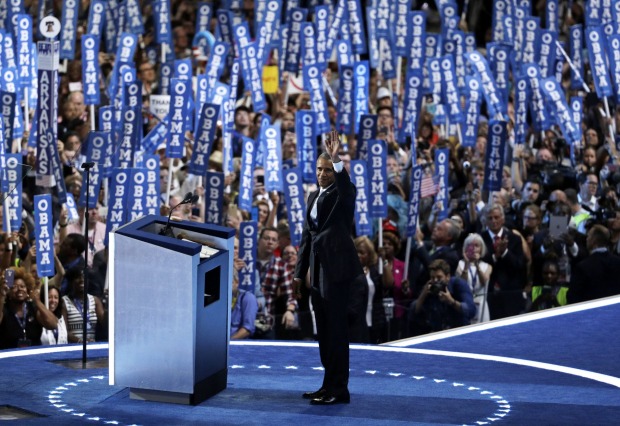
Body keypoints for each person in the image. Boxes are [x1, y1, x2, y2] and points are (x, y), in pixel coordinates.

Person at [293, 130, 363, 405]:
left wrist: (337, 160)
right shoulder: (312, 196)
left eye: (327, 170)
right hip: (317, 274)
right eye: (319, 169)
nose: (323, 174)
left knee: (336, 333)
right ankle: (327, 385)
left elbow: (348, 188)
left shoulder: (341, 196)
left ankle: (339, 389)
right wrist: (299, 274)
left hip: (338, 273)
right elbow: (306, 239)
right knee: (323, 333)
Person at [408, 259, 476, 335]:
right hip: (439, 333)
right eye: (433, 277)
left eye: (439, 277)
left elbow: (471, 310)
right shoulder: (430, 288)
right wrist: (423, 295)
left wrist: (451, 301)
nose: (436, 280)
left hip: (459, 332)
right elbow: (413, 313)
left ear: (448, 277)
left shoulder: (458, 284)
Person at [0, 268, 58, 349]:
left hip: (33, 356)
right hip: (10, 358)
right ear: (8, 292)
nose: (19, 289)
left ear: (27, 290)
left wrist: (37, 302)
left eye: (22, 286)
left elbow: (53, 325)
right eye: (14, 287)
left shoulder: (33, 308)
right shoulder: (4, 309)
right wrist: (2, 296)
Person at [568, 224, 620, 303]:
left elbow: (573, 297)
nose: (586, 239)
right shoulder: (617, 262)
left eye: (588, 236)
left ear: (593, 240)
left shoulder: (583, 267)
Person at [456, 234, 493, 323]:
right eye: (470, 245)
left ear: (481, 249)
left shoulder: (487, 266)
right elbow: (462, 283)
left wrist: (477, 265)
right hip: (465, 303)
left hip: (481, 304)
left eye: (476, 246)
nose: (473, 248)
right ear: (465, 248)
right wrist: (466, 264)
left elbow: (484, 281)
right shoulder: (459, 264)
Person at [63, 268, 105, 343]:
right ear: (71, 281)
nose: (82, 280)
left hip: (92, 346)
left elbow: (105, 324)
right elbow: (63, 331)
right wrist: (80, 341)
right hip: (73, 348)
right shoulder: (64, 301)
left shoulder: (95, 301)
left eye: (84, 277)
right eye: (77, 277)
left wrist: (108, 304)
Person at [230, 272, 258, 339]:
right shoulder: (218, 300)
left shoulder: (248, 298)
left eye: (227, 282)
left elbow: (247, 329)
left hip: (237, 345)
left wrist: (228, 343)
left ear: (236, 282)